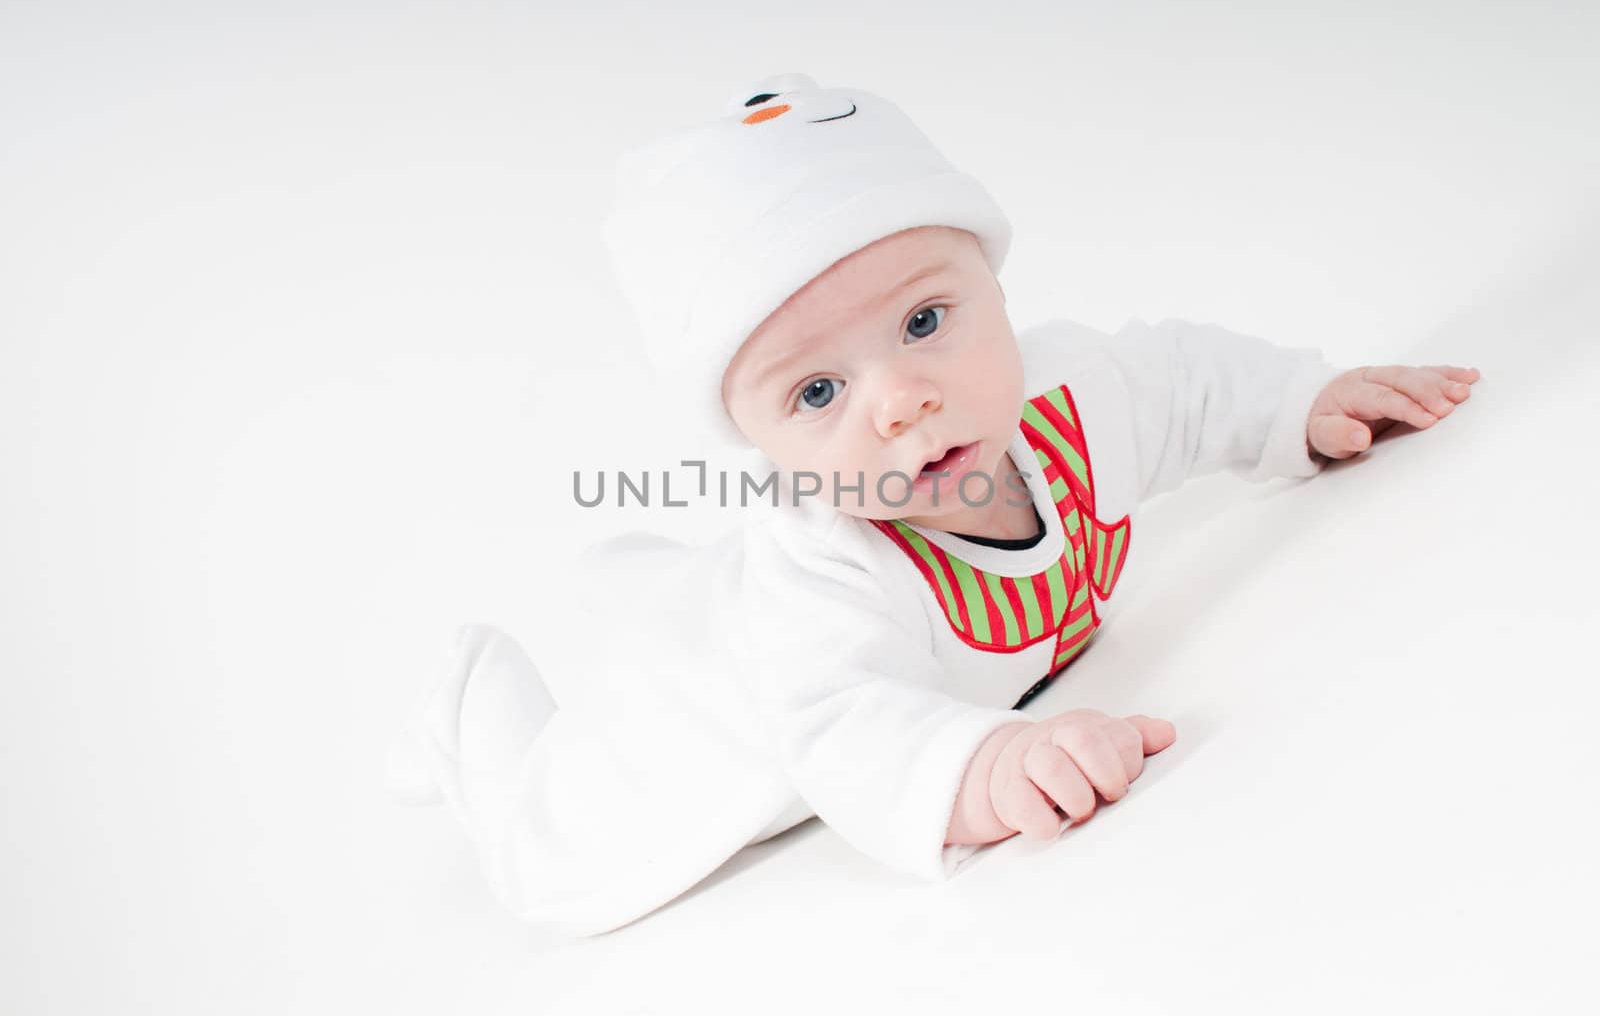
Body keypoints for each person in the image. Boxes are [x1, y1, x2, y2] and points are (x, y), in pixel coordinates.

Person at [384, 73, 1480, 939]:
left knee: (680, 594)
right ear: (761, 450)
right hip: (713, 714)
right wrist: (983, 767)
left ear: (995, 289)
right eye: (817, 391)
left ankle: (640, 577)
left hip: (731, 604)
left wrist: (1298, 401)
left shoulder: (1071, 399)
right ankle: (474, 729)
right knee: (563, 859)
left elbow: (1183, 382)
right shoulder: (823, 572)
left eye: (923, 322)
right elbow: (843, 730)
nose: (904, 400)